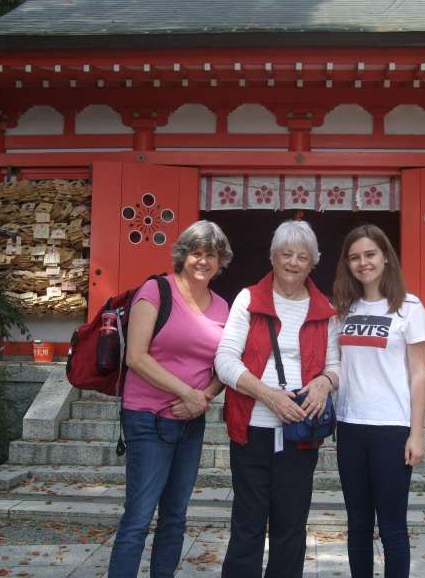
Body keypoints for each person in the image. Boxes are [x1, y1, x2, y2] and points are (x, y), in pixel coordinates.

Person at [214, 220, 340, 578]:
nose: (293, 262)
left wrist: (324, 382)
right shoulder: (249, 299)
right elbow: (224, 360)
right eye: (286, 254)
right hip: (252, 428)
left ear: (313, 263)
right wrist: (268, 395)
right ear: (273, 257)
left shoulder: (323, 307)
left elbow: (336, 365)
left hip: (300, 433)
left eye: (303, 256)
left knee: (291, 526)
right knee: (248, 523)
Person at [108, 220, 233, 578]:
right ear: (183, 255)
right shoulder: (156, 291)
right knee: (139, 516)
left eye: (211, 255)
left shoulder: (223, 307)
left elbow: (224, 363)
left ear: (220, 260)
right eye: (196, 253)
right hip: (148, 418)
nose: (203, 261)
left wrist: (204, 396)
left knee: (176, 516)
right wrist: (187, 393)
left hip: (191, 420)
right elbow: (136, 356)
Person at [332, 224, 425, 578]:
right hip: (351, 426)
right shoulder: (343, 309)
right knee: (357, 524)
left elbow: (419, 373)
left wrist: (416, 434)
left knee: (392, 526)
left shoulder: (409, 308)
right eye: (355, 257)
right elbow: (337, 365)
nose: (363, 263)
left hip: (391, 427)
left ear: (385, 256)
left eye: (370, 254)